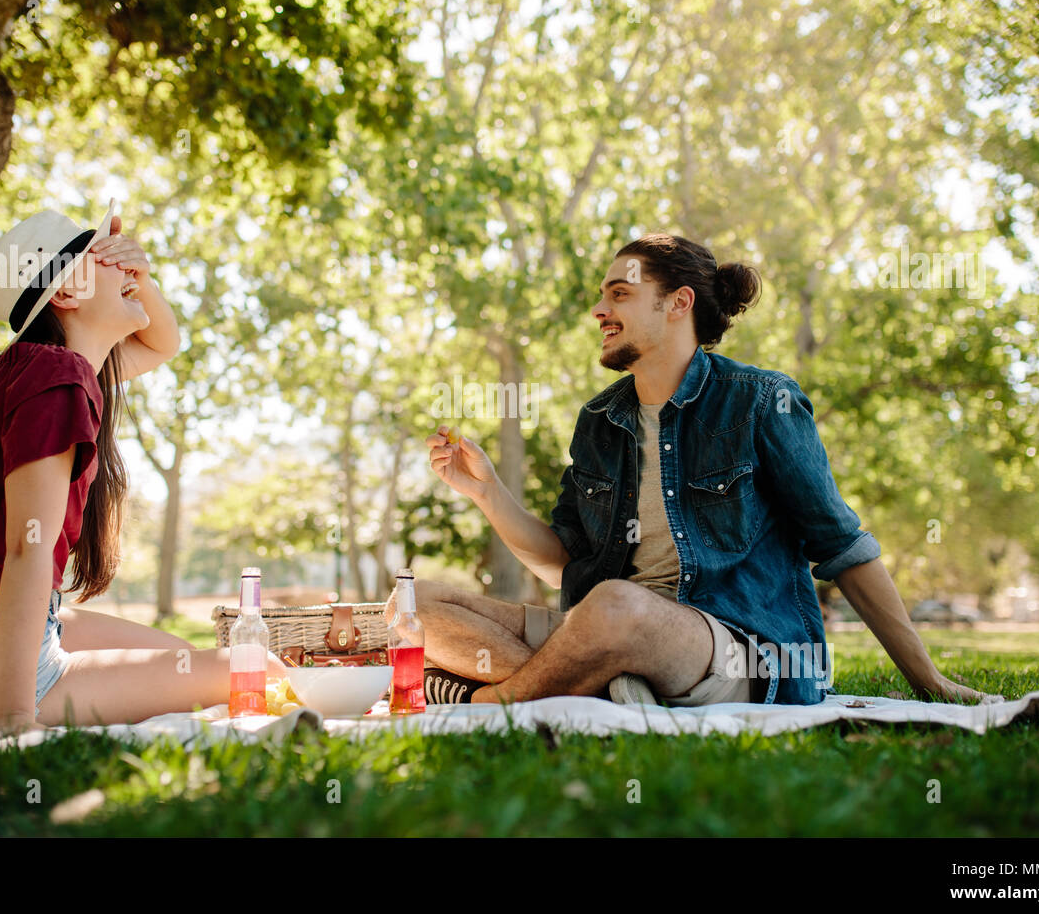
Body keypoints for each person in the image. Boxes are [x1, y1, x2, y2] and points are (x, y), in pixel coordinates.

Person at [414, 233, 992, 707]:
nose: (599, 310)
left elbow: (843, 548)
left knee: (616, 607)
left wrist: (929, 682)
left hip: (737, 648)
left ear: (678, 303)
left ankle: (490, 704)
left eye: (619, 294)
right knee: (411, 607)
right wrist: (487, 493)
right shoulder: (599, 420)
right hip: (601, 627)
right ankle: (601, 686)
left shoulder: (762, 401)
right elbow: (563, 563)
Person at [0, 200, 285, 743]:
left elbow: (163, 342)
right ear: (66, 292)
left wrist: (141, 280)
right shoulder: (54, 380)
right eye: (107, 256)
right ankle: (9, 702)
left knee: (179, 657)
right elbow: (26, 549)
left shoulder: (26, 370)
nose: (127, 268)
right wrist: (13, 716)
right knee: (253, 668)